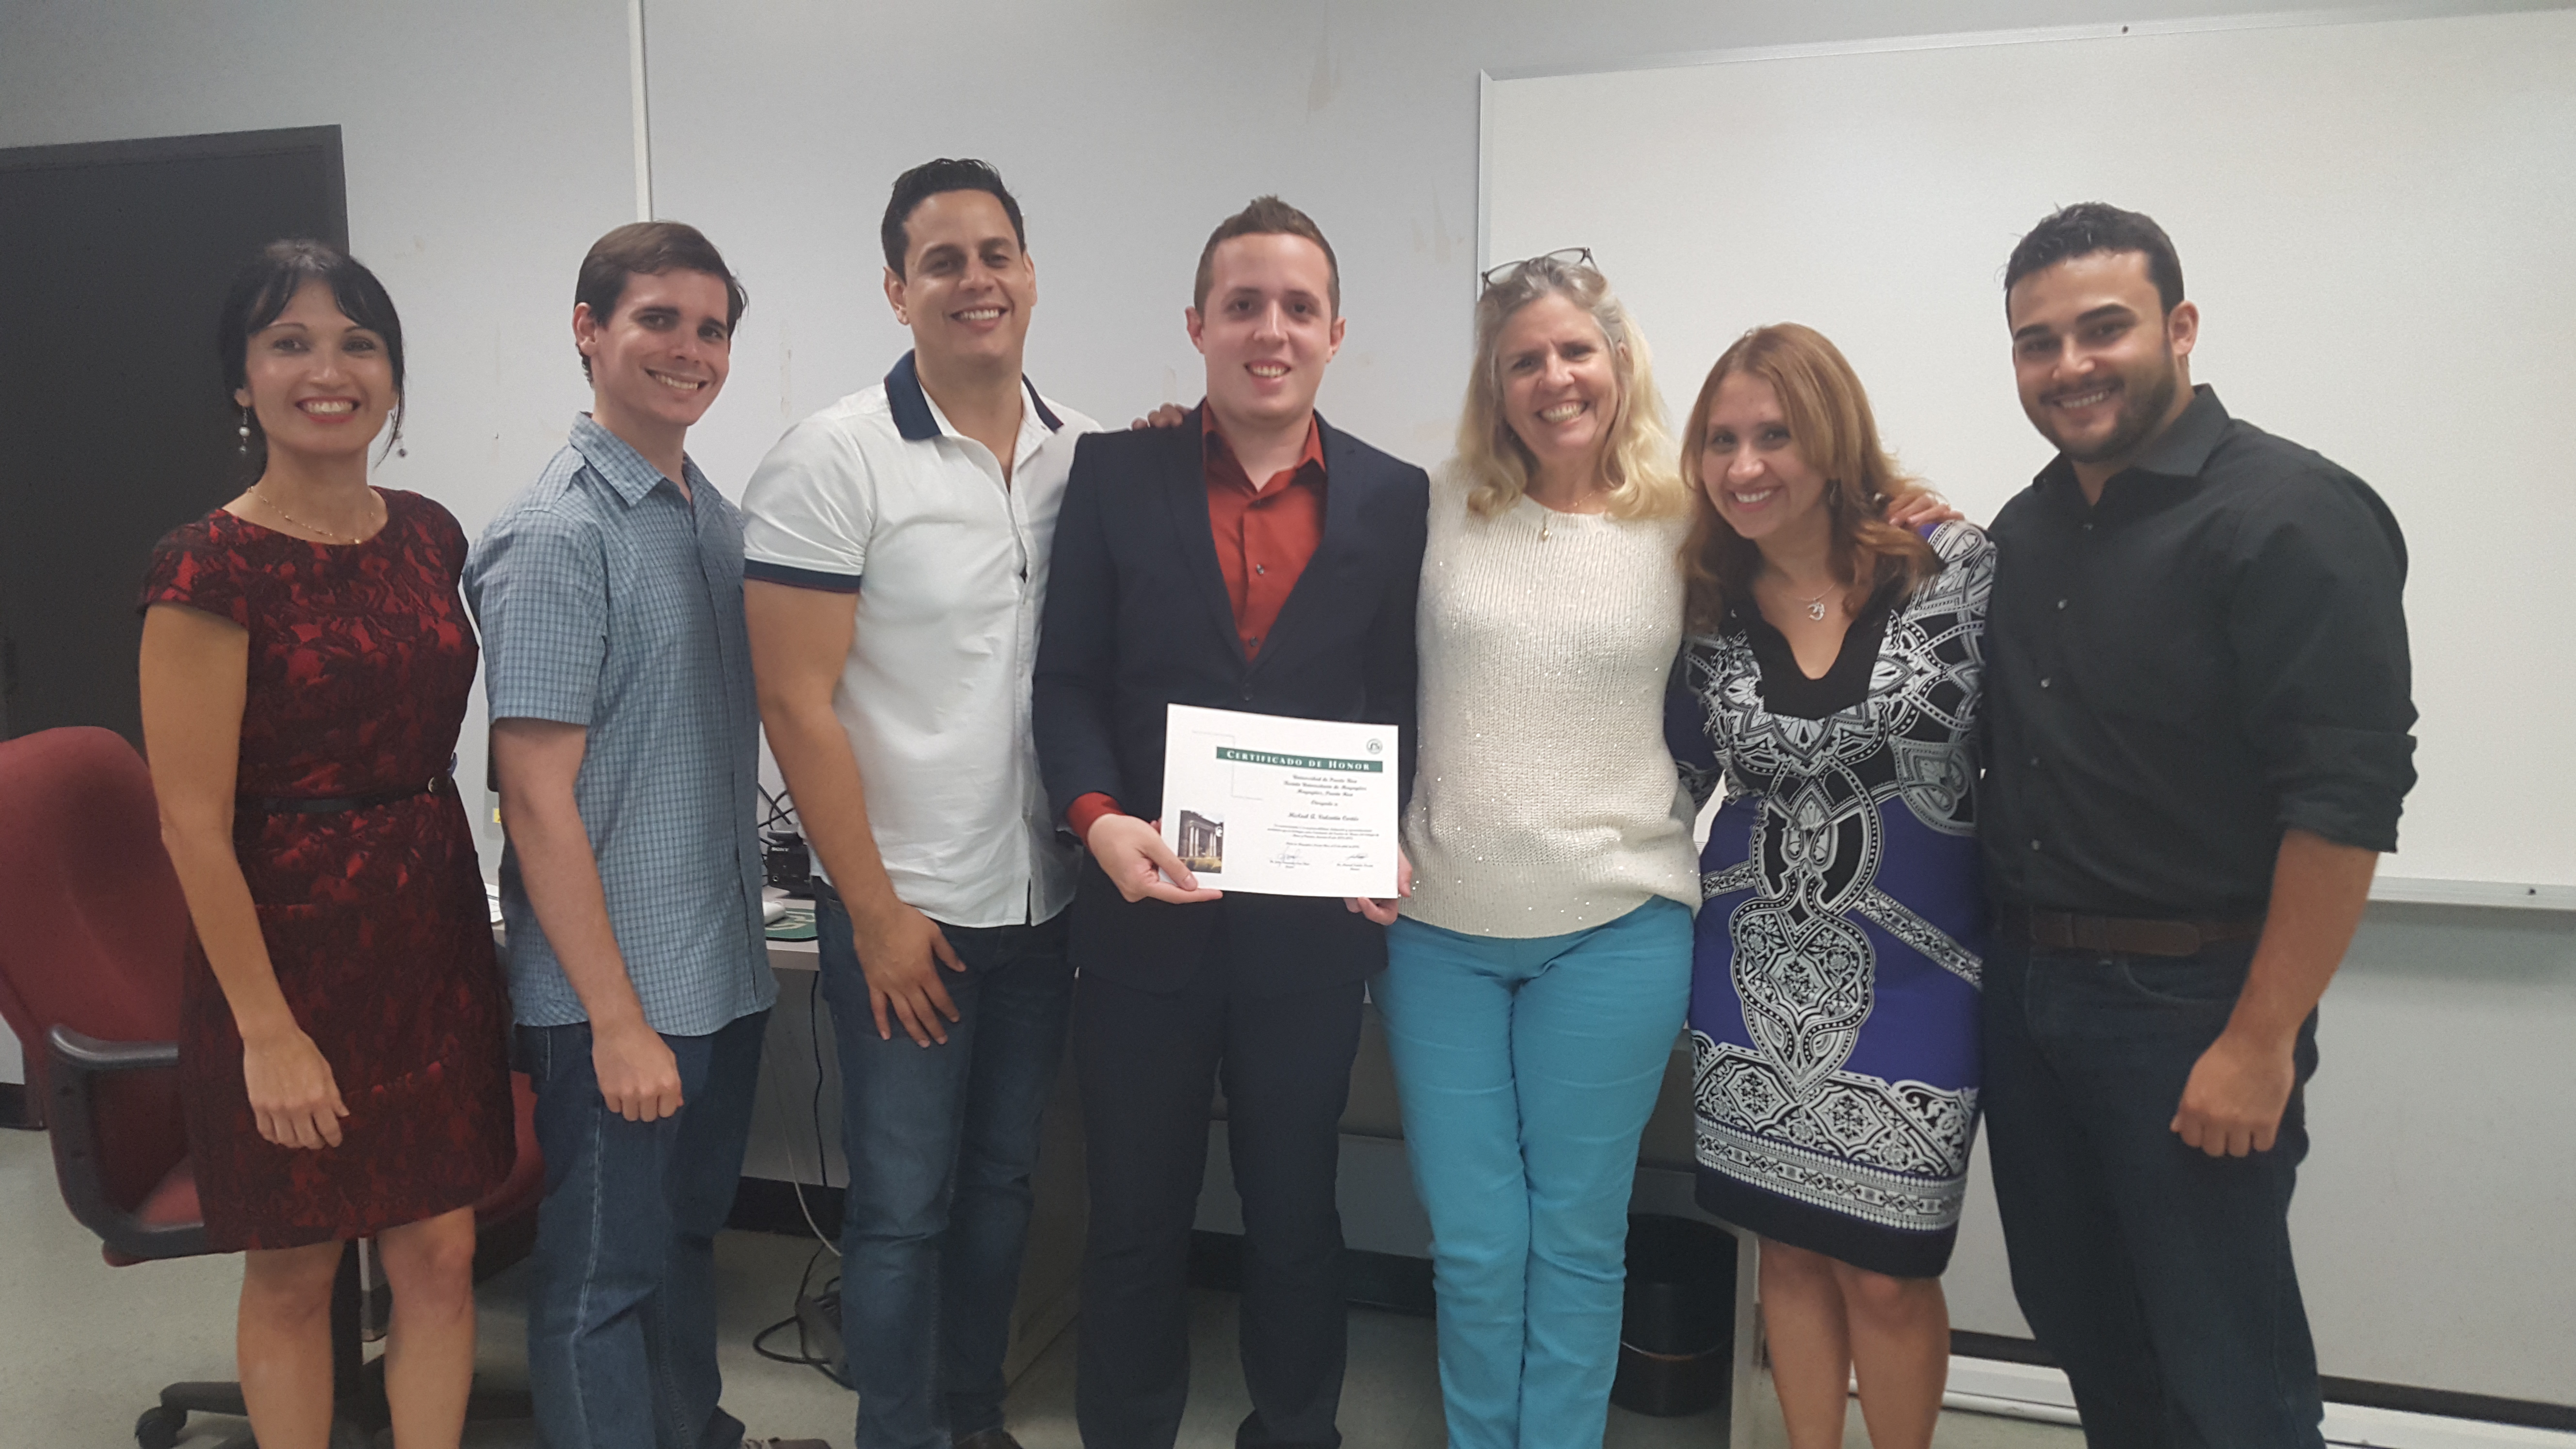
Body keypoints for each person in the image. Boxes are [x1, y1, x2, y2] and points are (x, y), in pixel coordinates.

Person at [1979, 203, 2414, 1447]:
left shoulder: (2291, 516)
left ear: (2178, 327)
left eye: (2101, 329)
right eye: (2035, 342)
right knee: (2083, 1326)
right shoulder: (2029, 526)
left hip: (2190, 1005)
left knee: (2225, 1361)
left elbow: (2344, 803)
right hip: (2028, 991)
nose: (2068, 366)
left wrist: (2261, 1039)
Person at [1032, 195, 1428, 1449]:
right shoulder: (1116, 471)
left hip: (1311, 938)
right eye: (1244, 305)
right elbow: (1067, 679)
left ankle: (1298, 1428)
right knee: (1137, 1213)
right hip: (1142, 922)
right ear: (1197, 325)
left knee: (1298, 1208)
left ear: (1336, 331)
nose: (1271, 329)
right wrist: (1095, 819)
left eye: (1297, 307)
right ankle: (1127, 1429)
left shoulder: (1393, 497)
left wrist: (1387, 832)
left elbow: (1396, 701)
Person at [741, 158, 1099, 1449]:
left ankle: (968, 1415)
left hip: (1042, 899)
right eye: (942, 261)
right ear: (898, 290)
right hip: (907, 910)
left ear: (1031, 275)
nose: (975, 280)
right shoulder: (834, 459)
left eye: (995, 253)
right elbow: (796, 703)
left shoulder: (1084, 456)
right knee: (902, 1203)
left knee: (1003, 1187)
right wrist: (876, 911)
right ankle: (896, 1432)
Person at [138, 239, 514, 1449]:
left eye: (358, 342)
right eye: (288, 342)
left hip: (431, 932)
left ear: (394, 378)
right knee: (298, 1274)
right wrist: (266, 1034)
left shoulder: (431, 536)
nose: (328, 369)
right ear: (241, 383)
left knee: (444, 1254)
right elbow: (190, 822)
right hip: (283, 955)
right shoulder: (209, 565)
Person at [465, 222, 822, 1449]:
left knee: (677, 1249)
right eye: (656, 320)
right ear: (589, 331)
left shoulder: (708, 519)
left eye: (711, 327)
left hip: (715, 969)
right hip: (617, 994)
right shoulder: (560, 534)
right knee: (600, 1278)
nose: (688, 349)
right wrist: (614, 1021)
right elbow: (535, 799)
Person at [1371, 249, 1701, 1449]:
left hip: (1615, 928)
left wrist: (1914, 512)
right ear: (1494, 382)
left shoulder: (1690, 519)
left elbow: (1823, 566)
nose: (1553, 378)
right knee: (1473, 1239)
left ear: (1617, 360)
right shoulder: (1433, 507)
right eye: (1523, 360)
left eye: (1574, 350)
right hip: (1439, 933)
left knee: (1575, 1234)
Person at [1668, 323, 1992, 1449]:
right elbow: (1660, 774)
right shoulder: (1699, 608)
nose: (1744, 465)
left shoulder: (1954, 578)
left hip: (1930, 977)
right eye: (1721, 440)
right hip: (1746, 973)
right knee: (1790, 1252)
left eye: (1775, 435)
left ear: (1833, 440)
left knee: (1893, 1275)